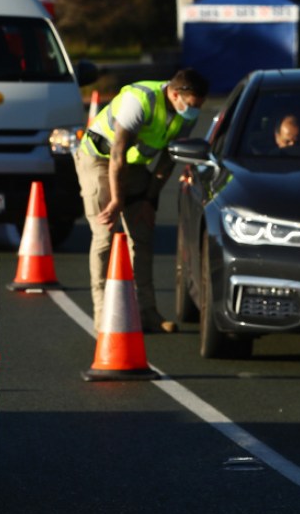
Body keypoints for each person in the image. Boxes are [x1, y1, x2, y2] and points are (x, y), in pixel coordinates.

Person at [75, 68, 209, 333]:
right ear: (175, 94)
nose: (194, 111)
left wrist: (150, 198)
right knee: (104, 235)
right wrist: (116, 200)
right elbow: (117, 153)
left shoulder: (185, 116)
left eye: (199, 106)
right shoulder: (140, 101)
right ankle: (103, 318)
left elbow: (169, 159)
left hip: (133, 166)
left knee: (143, 234)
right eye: (192, 105)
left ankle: (147, 312)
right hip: (100, 159)